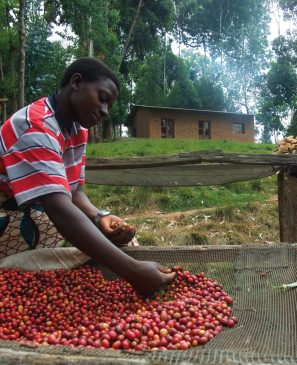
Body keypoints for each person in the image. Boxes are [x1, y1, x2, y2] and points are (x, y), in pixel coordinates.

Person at [0, 57, 175, 296]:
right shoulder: (35, 127)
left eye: (109, 106)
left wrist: (99, 216)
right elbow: (59, 209)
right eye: (102, 99)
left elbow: (72, 190)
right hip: (9, 210)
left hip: (31, 206)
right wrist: (133, 272)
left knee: (112, 238)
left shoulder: (76, 130)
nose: (104, 112)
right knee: (52, 227)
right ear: (76, 82)